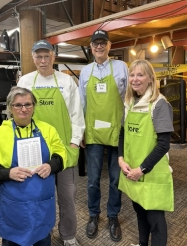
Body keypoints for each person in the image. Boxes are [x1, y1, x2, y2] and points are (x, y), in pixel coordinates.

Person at [0, 87, 67, 246]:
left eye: (28, 104)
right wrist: (8, 173)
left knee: (42, 239)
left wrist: (51, 165)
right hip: (13, 207)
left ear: (34, 106)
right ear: (10, 108)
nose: (24, 109)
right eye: (18, 105)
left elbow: (61, 153)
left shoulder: (48, 130)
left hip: (42, 204)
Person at [17, 40, 85, 246]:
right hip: (35, 151)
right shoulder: (25, 82)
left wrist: (74, 143)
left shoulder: (66, 81)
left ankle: (68, 235)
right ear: (33, 58)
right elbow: (18, 114)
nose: (43, 60)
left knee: (67, 197)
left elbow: (77, 114)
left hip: (63, 150)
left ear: (54, 57)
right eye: (39, 56)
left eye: (47, 56)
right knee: (37, 197)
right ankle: (40, 233)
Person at [78, 29, 128, 242]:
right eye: (96, 43)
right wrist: (80, 131)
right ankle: (93, 214)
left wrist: (128, 129)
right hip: (94, 133)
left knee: (116, 178)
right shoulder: (85, 71)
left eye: (103, 43)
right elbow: (81, 102)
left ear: (109, 46)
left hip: (117, 131)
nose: (99, 46)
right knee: (93, 179)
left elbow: (128, 98)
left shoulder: (121, 67)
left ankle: (113, 216)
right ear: (91, 47)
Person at [118, 59, 174, 246]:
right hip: (133, 171)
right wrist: (120, 158)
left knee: (156, 221)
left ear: (150, 78)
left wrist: (141, 169)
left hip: (151, 174)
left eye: (140, 75)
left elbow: (163, 144)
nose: (135, 79)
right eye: (132, 75)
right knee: (140, 212)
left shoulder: (159, 104)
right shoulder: (130, 103)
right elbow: (122, 133)